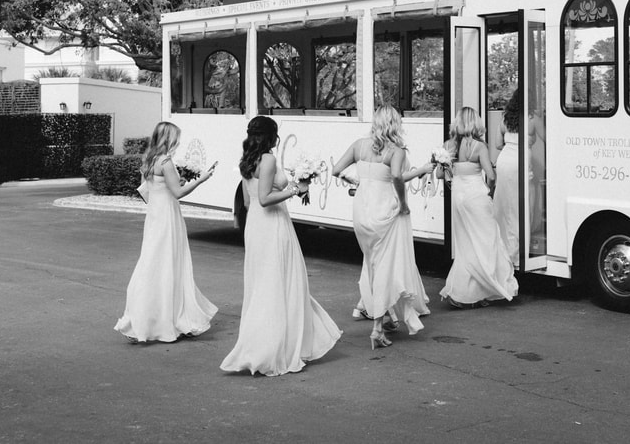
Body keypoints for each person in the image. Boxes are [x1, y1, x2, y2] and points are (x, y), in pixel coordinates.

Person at [220, 116, 341, 376]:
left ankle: (264, 342)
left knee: (263, 284)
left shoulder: (247, 159)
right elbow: (264, 199)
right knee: (281, 281)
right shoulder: (268, 159)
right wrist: (296, 190)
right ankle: (277, 347)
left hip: (255, 226)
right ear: (271, 135)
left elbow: (249, 201)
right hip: (273, 224)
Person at [331, 106, 430, 349]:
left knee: (373, 263)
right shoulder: (397, 151)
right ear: (395, 124)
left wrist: (356, 180)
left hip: (363, 212)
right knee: (386, 265)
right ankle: (377, 327)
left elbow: (336, 170)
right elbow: (396, 177)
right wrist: (404, 204)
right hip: (385, 210)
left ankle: (386, 315)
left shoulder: (359, 145)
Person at [115, 121, 218, 342]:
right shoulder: (166, 161)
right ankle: (170, 317)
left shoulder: (149, 159)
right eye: (176, 138)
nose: (178, 142)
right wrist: (201, 180)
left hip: (154, 217)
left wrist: (170, 183)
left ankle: (144, 316)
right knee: (170, 263)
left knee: (152, 262)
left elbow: (147, 191)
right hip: (168, 217)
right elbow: (178, 193)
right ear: (169, 139)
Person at [439, 107, 518, 308]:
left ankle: (465, 292)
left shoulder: (448, 145)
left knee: (466, 244)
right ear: (476, 123)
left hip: (458, 196)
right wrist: (490, 189)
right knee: (487, 241)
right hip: (476, 195)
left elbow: (440, 174)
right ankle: (489, 287)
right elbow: (491, 176)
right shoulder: (479, 146)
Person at [491, 92, 521, 265]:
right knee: (520, 206)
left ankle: (501, 247)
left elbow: (497, 144)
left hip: (505, 161)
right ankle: (515, 250)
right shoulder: (533, 118)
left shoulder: (505, 119)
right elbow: (548, 139)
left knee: (504, 205)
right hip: (521, 162)